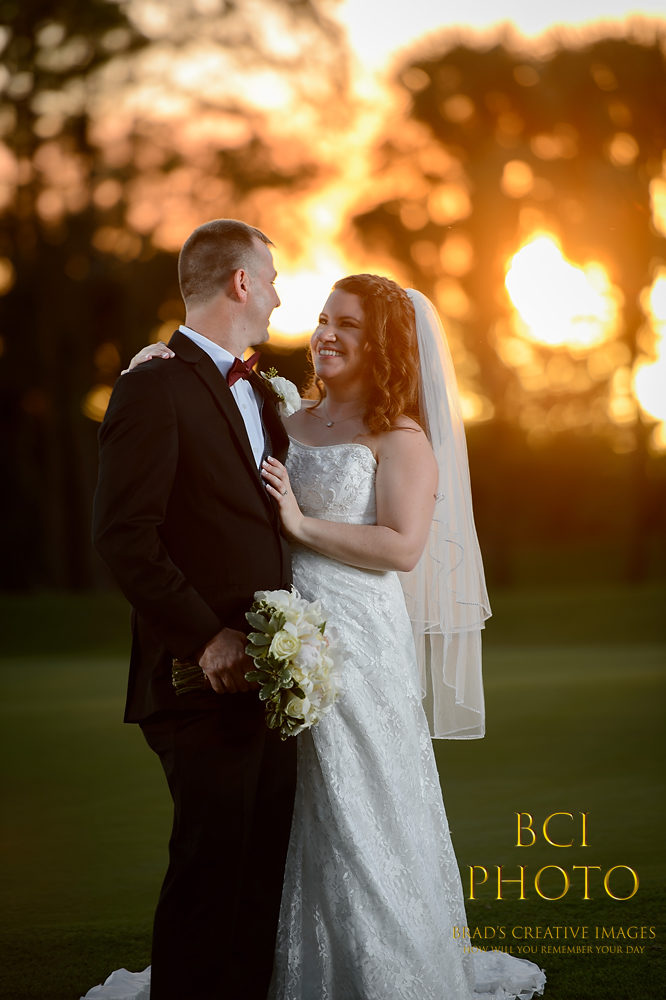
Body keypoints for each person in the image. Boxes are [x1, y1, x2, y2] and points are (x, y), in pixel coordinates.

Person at [87, 274, 545, 999]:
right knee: (284, 809)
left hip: (362, 639)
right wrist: (154, 360)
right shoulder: (283, 410)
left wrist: (300, 526)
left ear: (384, 345)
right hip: (285, 635)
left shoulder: (401, 436)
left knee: (361, 799)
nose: (326, 332)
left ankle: (382, 967)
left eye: (349, 324)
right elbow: (208, 404)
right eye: (325, 318)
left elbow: (400, 548)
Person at [90, 219, 297, 1000]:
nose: (278, 297)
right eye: (271, 280)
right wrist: (206, 637)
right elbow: (122, 533)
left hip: (275, 678)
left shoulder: (262, 389)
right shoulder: (154, 383)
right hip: (197, 679)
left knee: (258, 885)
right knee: (211, 879)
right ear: (241, 282)